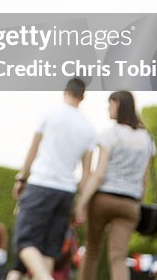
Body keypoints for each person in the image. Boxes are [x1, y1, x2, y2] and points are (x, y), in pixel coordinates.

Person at [8, 78, 96, 280]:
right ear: (82, 97)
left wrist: (22, 177)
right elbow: (86, 174)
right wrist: (80, 205)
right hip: (66, 192)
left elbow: (34, 147)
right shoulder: (89, 128)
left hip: (42, 184)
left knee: (24, 242)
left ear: (64, 91)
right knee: (49, 250)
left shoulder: (49, 113)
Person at [74, 91, 156, 280]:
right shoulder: (147, 140)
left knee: (92, 251)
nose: (108, 109)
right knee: (118, 257)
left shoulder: (110, 134)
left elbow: (99, 173)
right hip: (130, 204)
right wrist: (137, 206)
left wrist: (81, 202)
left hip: (103, 199)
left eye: (110, 104)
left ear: (118, 104)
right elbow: (144, 181)